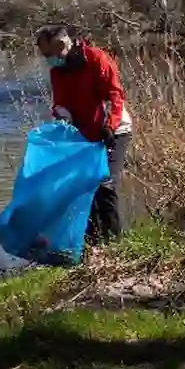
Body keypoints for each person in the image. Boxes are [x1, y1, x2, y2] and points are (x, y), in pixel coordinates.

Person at [35, 24, 133, 245]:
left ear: (62, 44)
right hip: (84, 135)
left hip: (114, 131)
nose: (47, 59)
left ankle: (116, 244)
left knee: (104, 184)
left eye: (48, 54)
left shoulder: (96, 59)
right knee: (83, 187)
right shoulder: (57, 71)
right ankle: (91, 244)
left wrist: (110, 125)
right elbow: (60, 103)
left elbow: (114, 96)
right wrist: (61, 120)